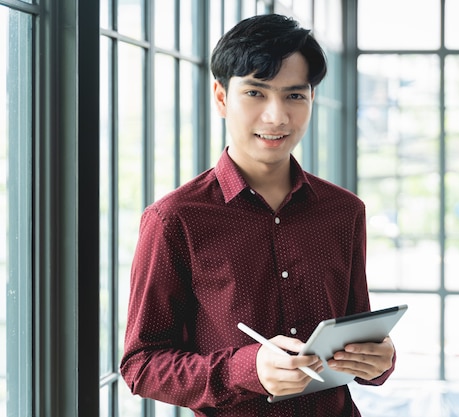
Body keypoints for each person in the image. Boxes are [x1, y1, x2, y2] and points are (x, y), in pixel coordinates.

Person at [120, 13, 396, 417]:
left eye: (294, 96)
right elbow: (141, 366)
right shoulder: (175, 219)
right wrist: (247, 369)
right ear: (220, 97)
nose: (276, 116)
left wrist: (379, 361)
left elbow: (356, 334)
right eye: (255, 93)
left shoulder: (344, 212)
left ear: (312, 100)